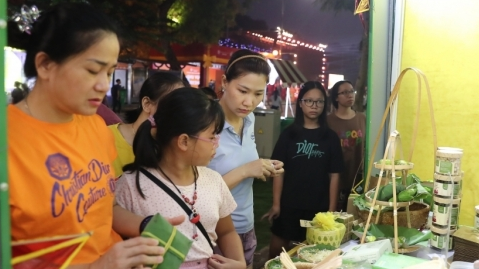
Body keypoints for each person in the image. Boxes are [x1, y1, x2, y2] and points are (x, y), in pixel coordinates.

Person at [7, 3, 182, 268]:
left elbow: (103, 209)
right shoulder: (9, 141)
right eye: (92, 70)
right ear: (45, 65)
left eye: (110, 72)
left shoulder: (96, 127)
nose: (104, 85)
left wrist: (144, 226)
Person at [114, 88, 246, 269]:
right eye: (212, 137)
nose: (217, 143)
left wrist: (239, 263)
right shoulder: (131, 185)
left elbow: (227, 231)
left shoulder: (214, 180)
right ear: (184, 141)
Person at [207, 49, 285, 268]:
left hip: (245, 226)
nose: (249, 102)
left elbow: (243, 160)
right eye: (242, 91)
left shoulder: (249, 119)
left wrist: (263, 165)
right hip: (213, 232)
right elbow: (193, 192)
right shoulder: (205, 124)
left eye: (258, 94)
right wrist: (246, 170)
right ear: (224, 82)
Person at [262, 81, 345, 259]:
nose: (314, 106)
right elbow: (279, 170)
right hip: (289, 204)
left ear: (325, 104)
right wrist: (276, 204)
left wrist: (330, 210)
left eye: (319, 101)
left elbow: (334, 175)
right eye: (309, 101)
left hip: (318, 207)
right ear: (300, 103)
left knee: (314, 255)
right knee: (276, 253)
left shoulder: (330, 138)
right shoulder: (288, 134)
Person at [109, 72, 184, 177]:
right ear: (147, 104)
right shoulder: (104, 137)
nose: (179, 112)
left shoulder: (173, 146)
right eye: (172, 104)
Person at [327, 80, 366, 211]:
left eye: (351, 91)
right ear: (336, 98)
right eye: (344, 92)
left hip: (358, 178)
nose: (350, 95)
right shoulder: (328, 121)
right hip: (335, 179)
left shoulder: (362, 118)